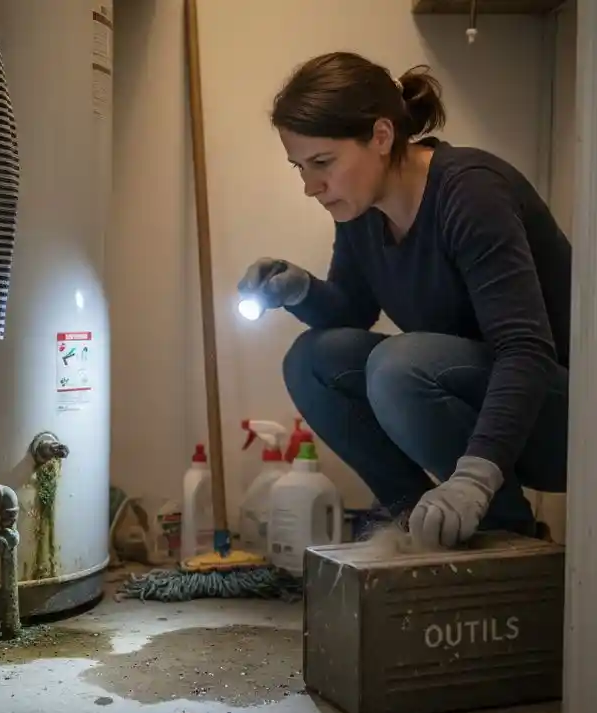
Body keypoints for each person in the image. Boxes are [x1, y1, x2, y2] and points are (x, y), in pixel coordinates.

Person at [237, 52, 571, 551]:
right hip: (483, 404)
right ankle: (420, 526)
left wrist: (473, 481)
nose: (310, 186)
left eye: (323, 163)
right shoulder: (362, 210)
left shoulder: (471, 193)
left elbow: (525, 349)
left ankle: (502, 533)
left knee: (399, 365)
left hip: (564, 421)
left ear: (381, 137)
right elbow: (351, 315)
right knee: (311, 360)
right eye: (299, 167)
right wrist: (300, 289)